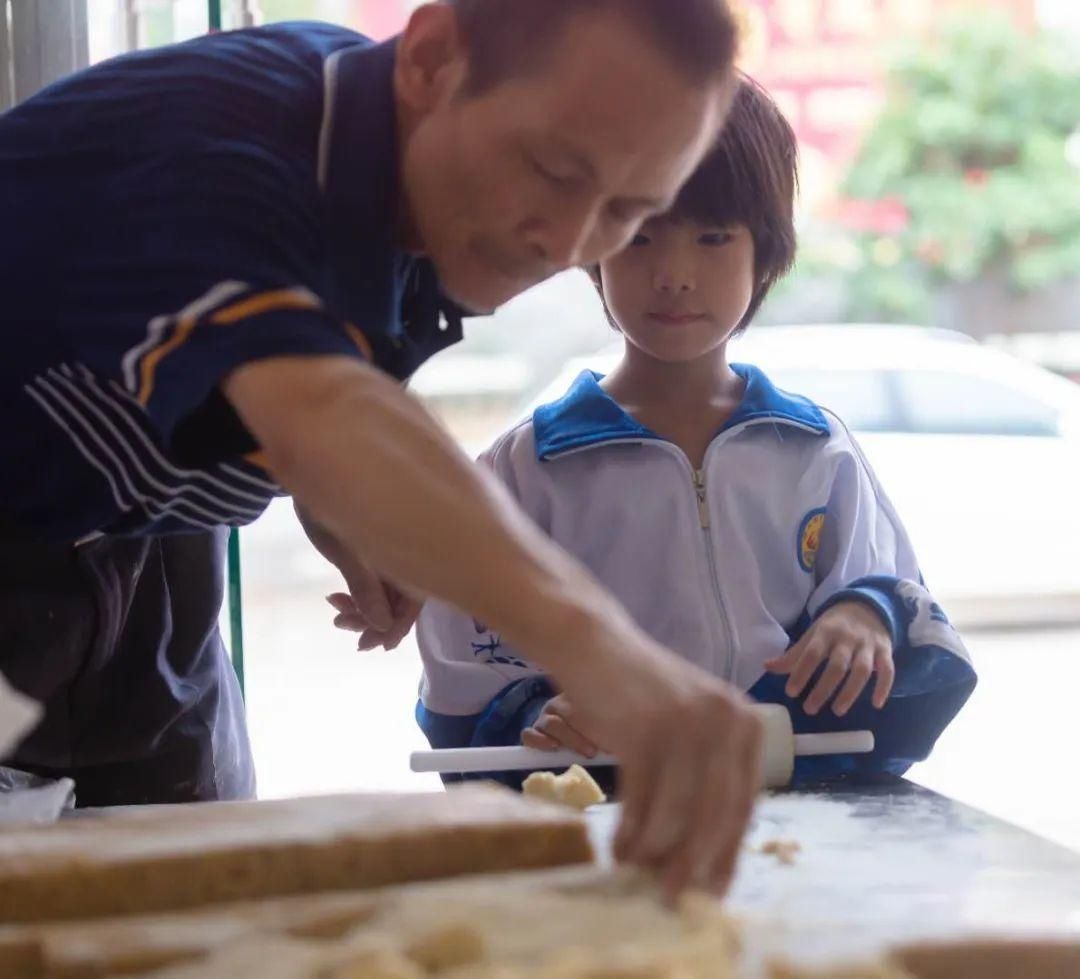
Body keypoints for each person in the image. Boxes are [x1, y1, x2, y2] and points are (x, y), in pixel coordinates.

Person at [0, 0, 759, 894]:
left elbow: (317, 380)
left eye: (628, 212)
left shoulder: (407, 173)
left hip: (141, 556)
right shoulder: (228, 149)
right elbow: (327, 406)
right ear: (431, 58)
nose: (568, 244)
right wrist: (609, 657)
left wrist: (324, 488)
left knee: (206, 911)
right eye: (554, 171)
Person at [416, 76, 977, 787]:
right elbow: (464, 659)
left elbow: (894, 592)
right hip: (609, 812)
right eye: (640, 235)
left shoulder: (815, 449)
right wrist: (537, 709)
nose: (675, 275)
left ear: (765, 251)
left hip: (804, 807)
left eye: (714, 237)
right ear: (591, 243)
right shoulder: (526, 468)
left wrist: (866, 616)